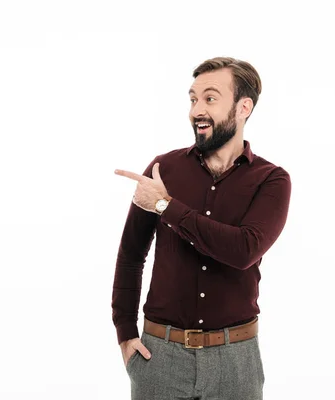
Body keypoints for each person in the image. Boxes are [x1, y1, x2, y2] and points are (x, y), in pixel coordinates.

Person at [112, 56, 291, 400]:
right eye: (193, 99)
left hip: (235, 361)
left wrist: (166, 205)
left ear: (244, 107)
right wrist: (125, 333)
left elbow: (243, 250)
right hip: (159, 358)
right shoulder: (164, 169)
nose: (197, 110)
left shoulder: (271, 180)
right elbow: (131, 256)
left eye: (210, 98)